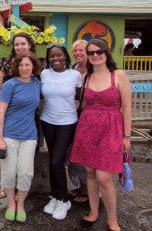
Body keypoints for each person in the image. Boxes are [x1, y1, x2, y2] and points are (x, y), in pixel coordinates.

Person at [70, 38, 132, 231]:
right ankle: (94, 212)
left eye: (99, 52)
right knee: (89, 173)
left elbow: (128, 108)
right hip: (88, 129)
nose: (95, 55)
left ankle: (112, 218)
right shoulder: (86, 76)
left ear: (107, 53)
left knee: (104, 177)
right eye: (91, 53)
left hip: (112, 129)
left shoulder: (118, 75)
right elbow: (83, 103)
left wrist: (127, 137)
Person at [0, 51, 42, 223]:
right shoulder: (10, 85)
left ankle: (20, 203)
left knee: (25, 173)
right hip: (8, 134)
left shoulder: (37, 84)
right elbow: (1, 111)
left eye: (27, 65)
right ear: (17, 67)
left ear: (33, 67)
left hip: (29, 135)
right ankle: (11, 204)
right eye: (21, 65)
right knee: (8, 173)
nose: (24, 68)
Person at [40, 43, 82, 220]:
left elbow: (79, 96)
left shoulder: (75, 75)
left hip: (67, 122)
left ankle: (64, 200)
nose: (55, 58)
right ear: (48, 59)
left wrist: (77, 105)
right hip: (48, 121)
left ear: (65, 56)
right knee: (52, 161)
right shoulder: (44, 74)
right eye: (52, 56)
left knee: (57, 160)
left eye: (59, 55)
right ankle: (55, 196)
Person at [0, 32, 36, 199]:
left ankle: (21, 189)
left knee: (25, 156)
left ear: (30, 45)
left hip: (28, 113)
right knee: (5, 150)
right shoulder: (5, 65)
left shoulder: (34, 65)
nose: (19, 47)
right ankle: (4, 186)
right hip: (6, 111)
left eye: (23, 44)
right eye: (17, 44)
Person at [67, 39, 89, 203]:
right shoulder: (73, 68)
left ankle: (88, 190)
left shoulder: (94, 70)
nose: (78, 53)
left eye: (81, 50)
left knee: (85, 153)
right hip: (74, 115)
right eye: (75, 51)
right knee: (74, 151)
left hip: (88, 116)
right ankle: (80, 186)